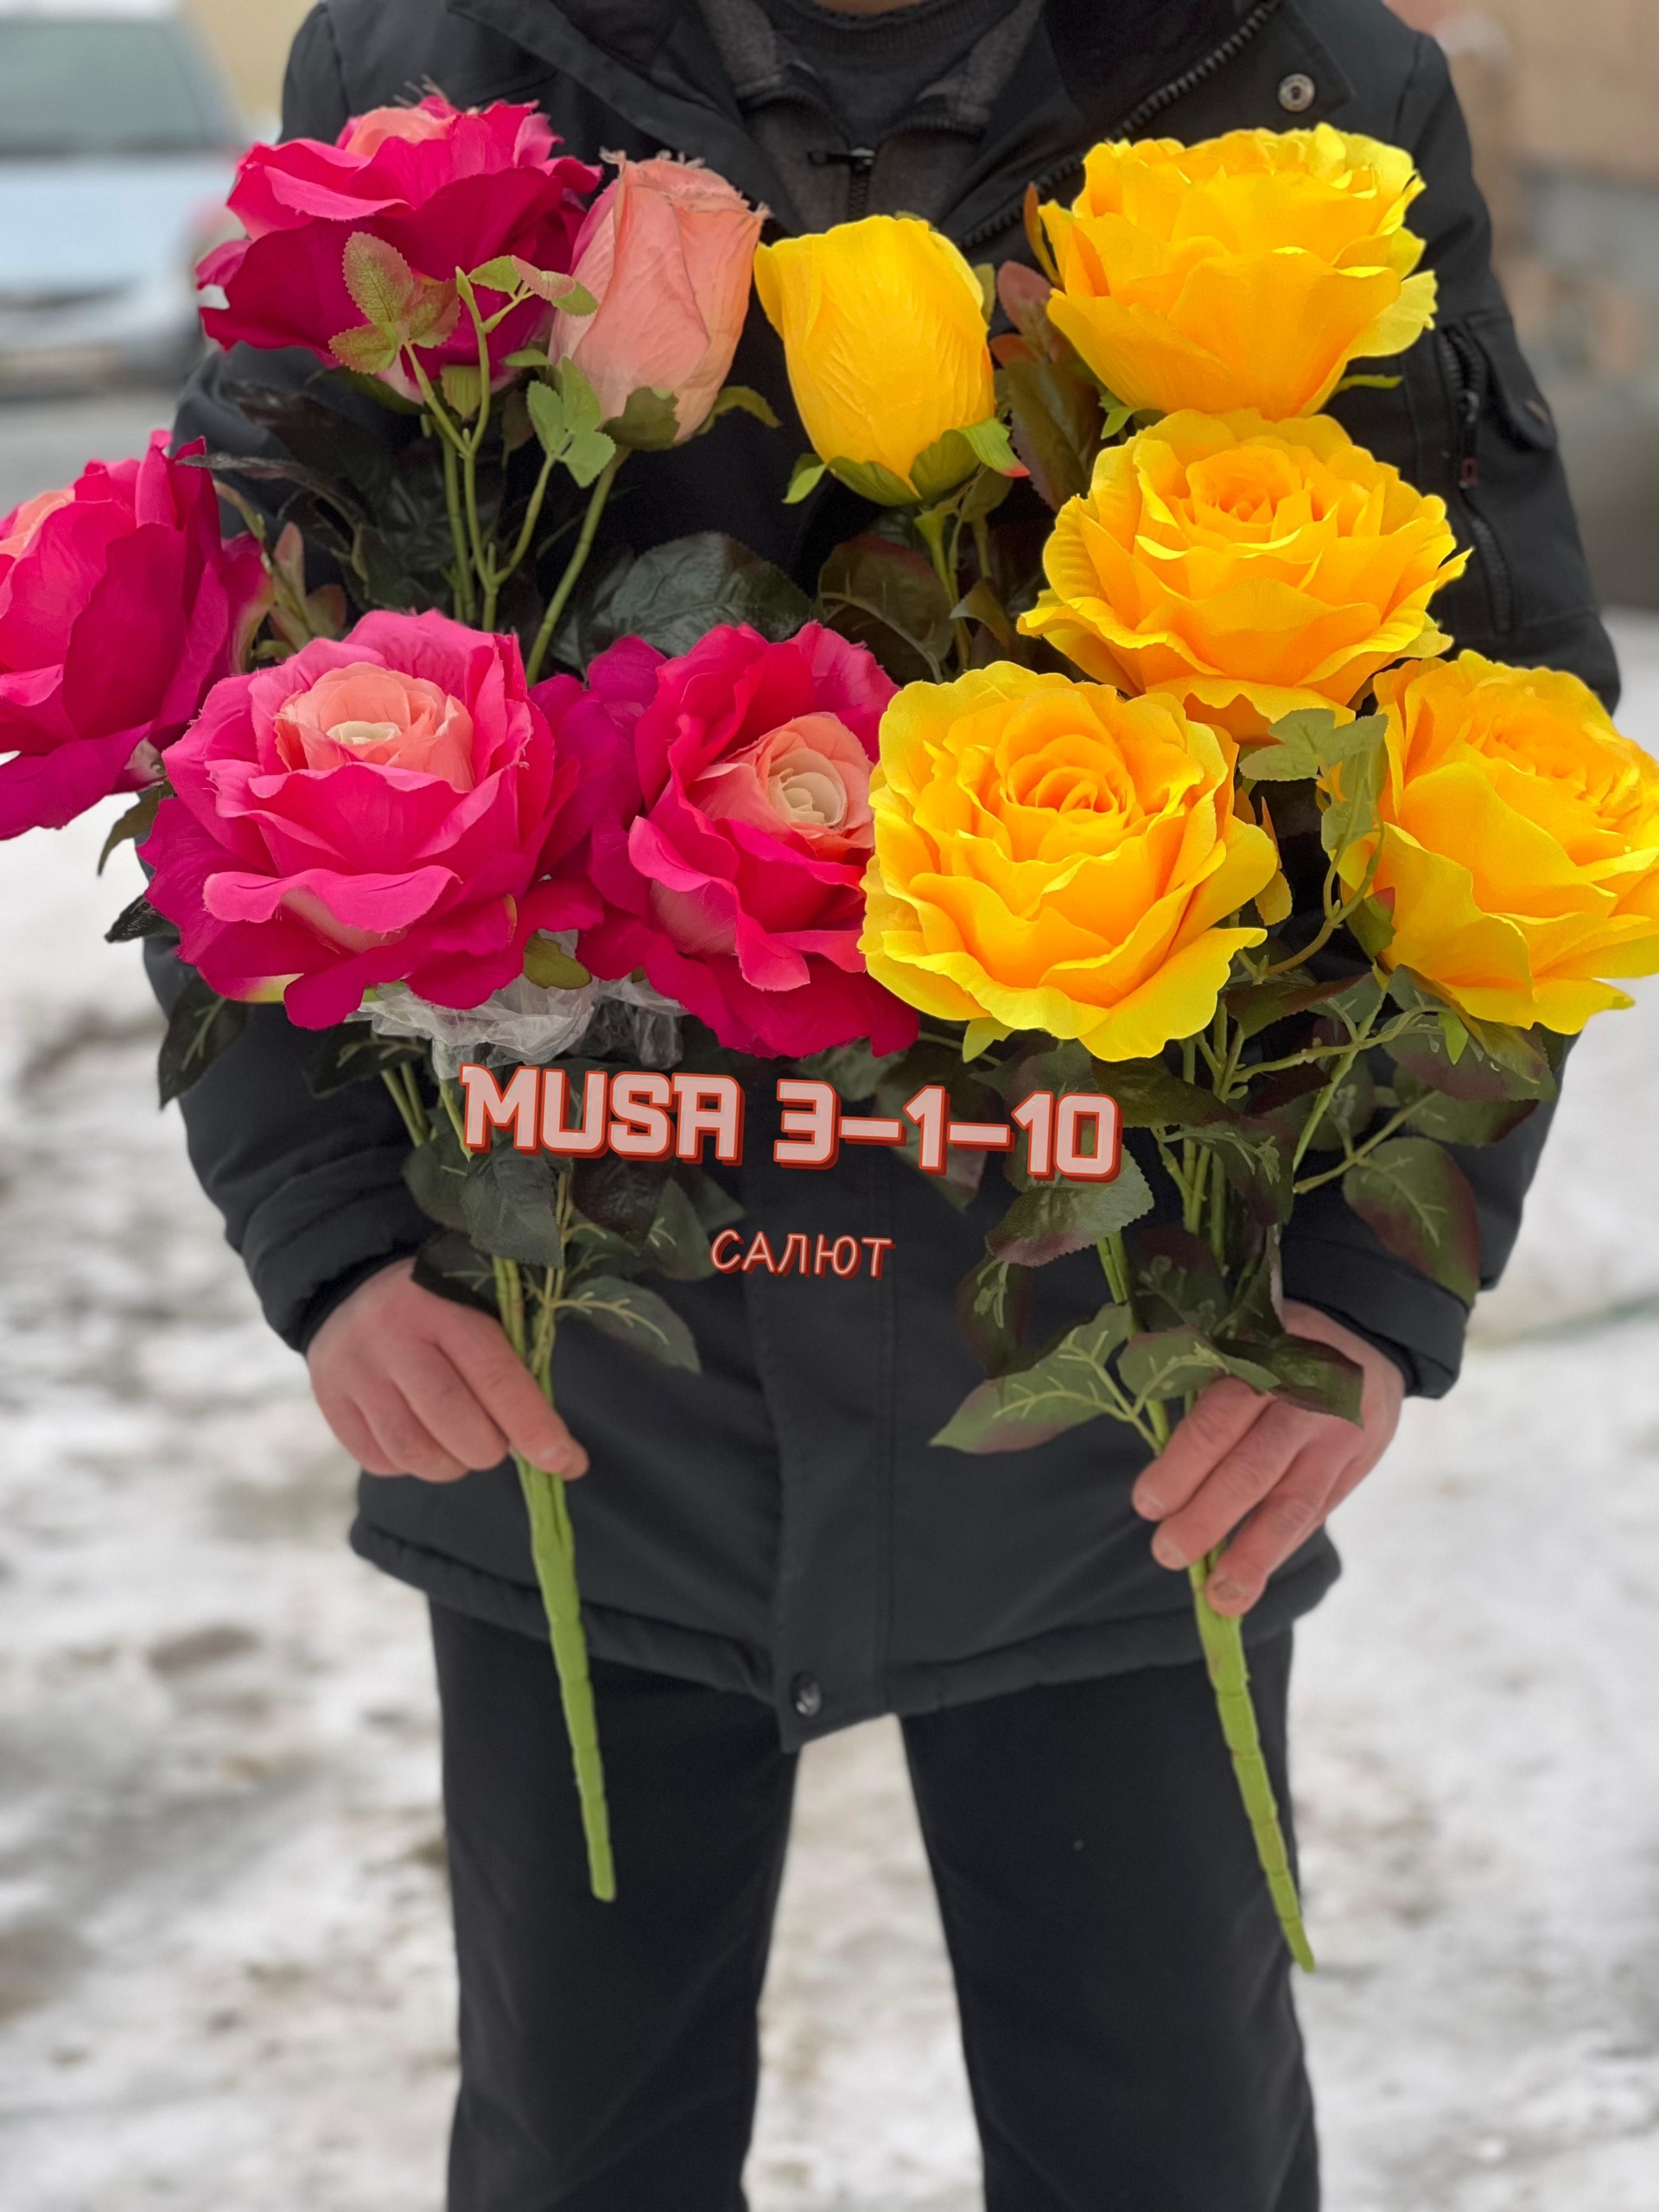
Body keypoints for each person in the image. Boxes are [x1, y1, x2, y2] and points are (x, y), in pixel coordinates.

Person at [160, 2, 1615, 2206]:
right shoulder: (439, 55)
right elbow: (235, 678)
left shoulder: (1298, 85)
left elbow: (1508, 730)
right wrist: (331, 1231)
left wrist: (1365, 1287)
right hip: (578, 1368)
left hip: (1117, 1390)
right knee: (582, 2140)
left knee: (1162, 2140)